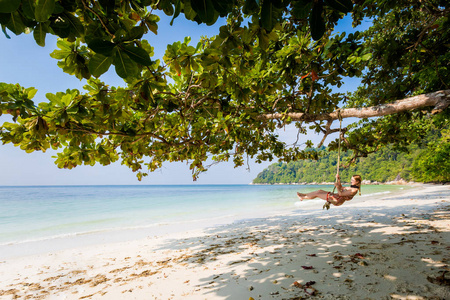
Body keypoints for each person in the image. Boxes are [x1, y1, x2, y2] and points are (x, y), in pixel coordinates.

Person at [297, 174, 362, 207]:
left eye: (352, 180)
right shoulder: (351, 187)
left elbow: (340, 194)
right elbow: (341, 188)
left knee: (318, 194)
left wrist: (337, 186)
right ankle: (304, 195)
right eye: (351, 179)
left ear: (357, 181)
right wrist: (339, 179)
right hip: (335, 196)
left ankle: (303, 197)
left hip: (336, 200)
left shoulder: (354, 190)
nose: (351, 181)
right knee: (319, 191)